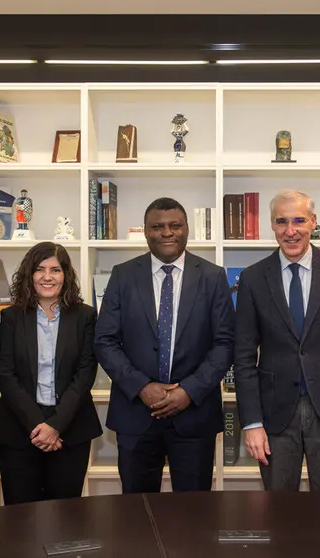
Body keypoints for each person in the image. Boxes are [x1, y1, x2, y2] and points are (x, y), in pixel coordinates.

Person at [233, 190, 320, 492]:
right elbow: (243, 357)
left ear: (313, 221)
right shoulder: (253, 278)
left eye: (298, 221)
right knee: (278, 513)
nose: (290, 231)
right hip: (274, 416)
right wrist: (252, 423)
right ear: (272, 225)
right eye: (281, 222)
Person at [94, 197, 234, 492]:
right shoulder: (123, 275)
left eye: (175, 226)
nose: (167, 232)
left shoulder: (212, 276)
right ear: (145, 231)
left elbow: (224, 343)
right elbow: (105, 340)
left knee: (193, 514)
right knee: (137, 514)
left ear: (187, 229)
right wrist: (142, 387)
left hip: (194, 416)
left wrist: (188, 391)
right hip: (136, 414)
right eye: (157, 226)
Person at [0, 242, 102, 504]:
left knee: (66, 518)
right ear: (30, 275)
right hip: (19, 430)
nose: (47, 277)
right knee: (21, 520)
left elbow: (86, 373)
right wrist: (38, 425)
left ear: (66, 275)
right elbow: (5, 374)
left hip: (71, 430)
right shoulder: (11, 317)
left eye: (55, 269)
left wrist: (55, 425)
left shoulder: (85, 316)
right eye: (40, 269)